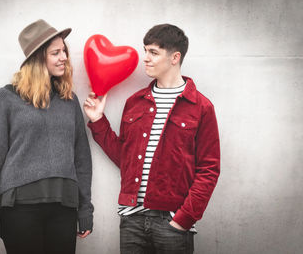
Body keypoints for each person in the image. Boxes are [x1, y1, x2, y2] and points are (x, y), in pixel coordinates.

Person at [83, 23, 220, 254]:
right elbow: (125, 159)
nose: (145, 58)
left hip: (173, 223)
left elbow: (209, 169)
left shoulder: (201, 107)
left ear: (175, 57)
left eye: (153, 52)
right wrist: (98, 121)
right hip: (131, 221)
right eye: (145, 50)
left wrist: (183, 219)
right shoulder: (135, 102)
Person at [0, 19, 93, 254]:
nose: (64, 58)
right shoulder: (6, 99)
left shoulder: (69, 101)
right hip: (19, 210)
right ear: (38, 58)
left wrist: (85, 209)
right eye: (55, 53)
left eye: (64, 51)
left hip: (64, 208)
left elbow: (81, 159)